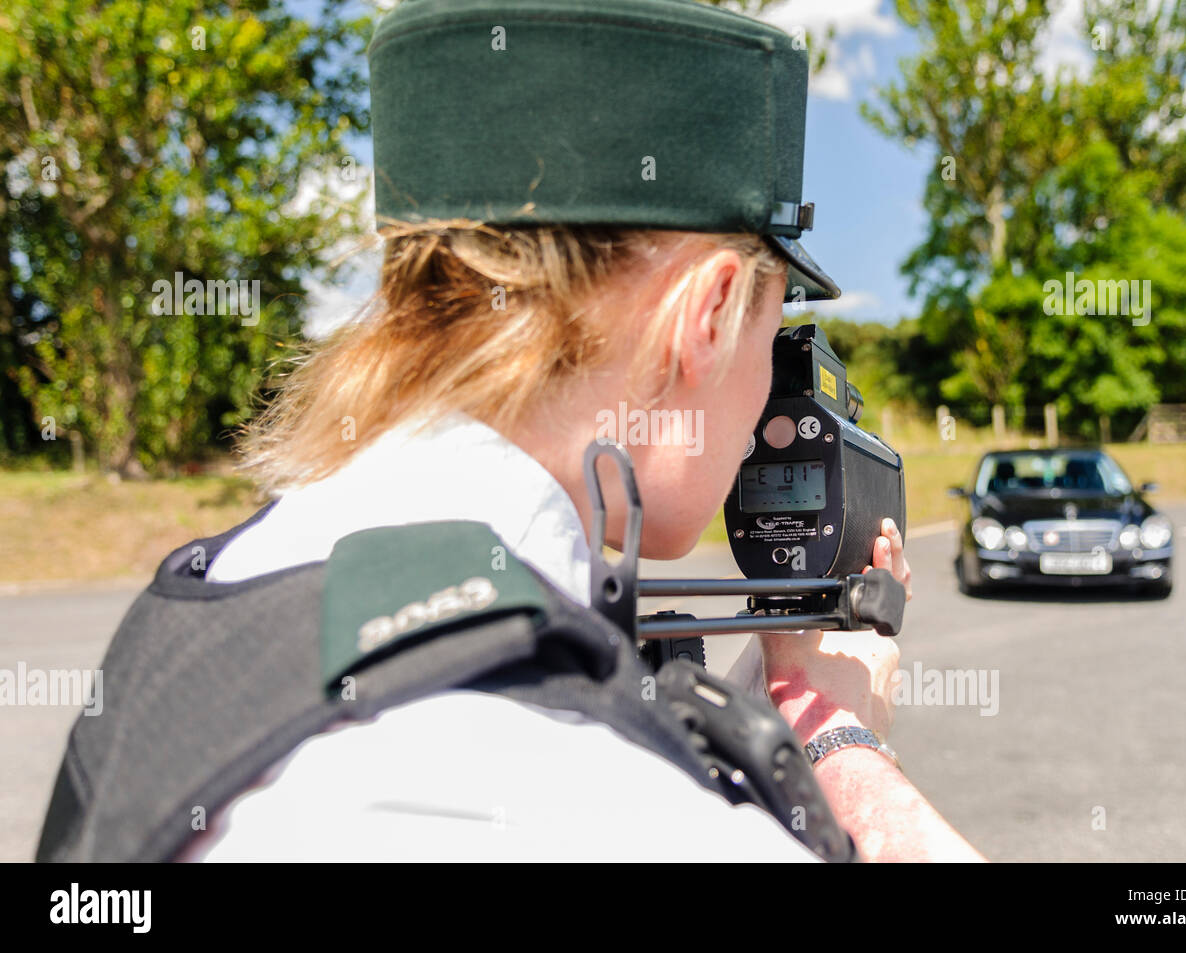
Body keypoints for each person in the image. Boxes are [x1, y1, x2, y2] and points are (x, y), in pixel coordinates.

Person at [37, 0, 982, 862]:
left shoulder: (225, 591)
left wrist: (757, 702)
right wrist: (841, 744)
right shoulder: (549, 789)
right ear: (711, 310)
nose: (764, 410)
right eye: (772, 338)